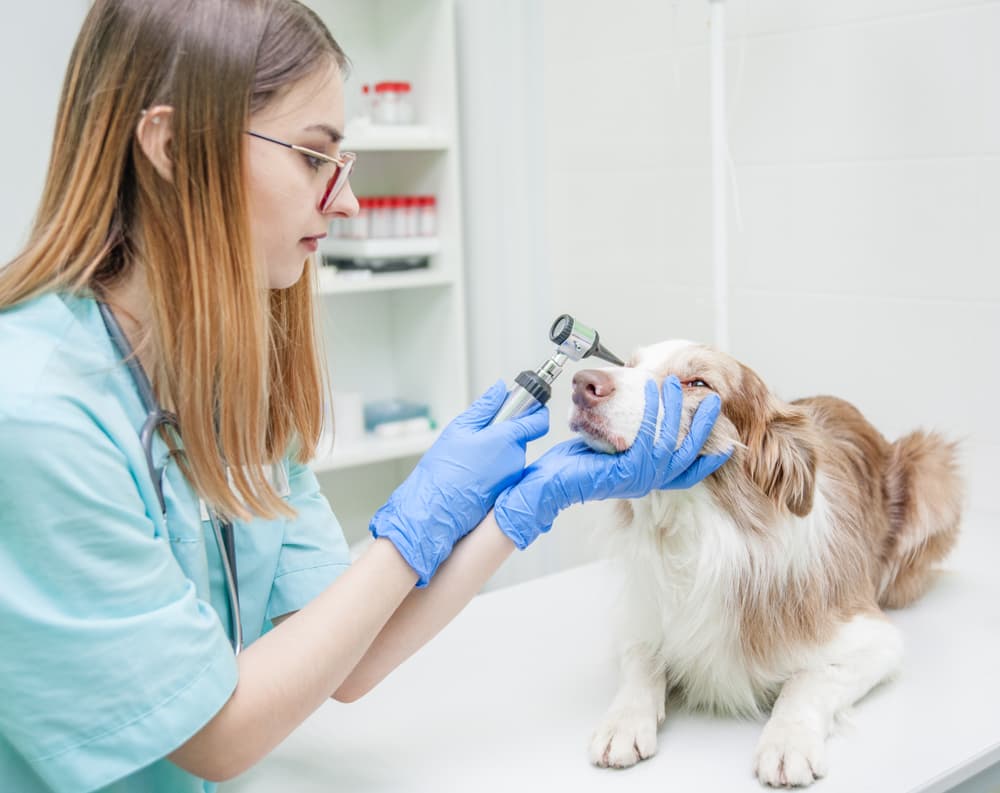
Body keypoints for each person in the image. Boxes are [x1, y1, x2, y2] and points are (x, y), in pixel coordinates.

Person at [0, 1, 730, 791]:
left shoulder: (216, 373)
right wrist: (413, 523)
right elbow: (214, 734)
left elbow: (348, 655)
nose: (345, 202)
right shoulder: (35, 412)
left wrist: (529, 500)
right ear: (174, 149)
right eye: (315, 158)